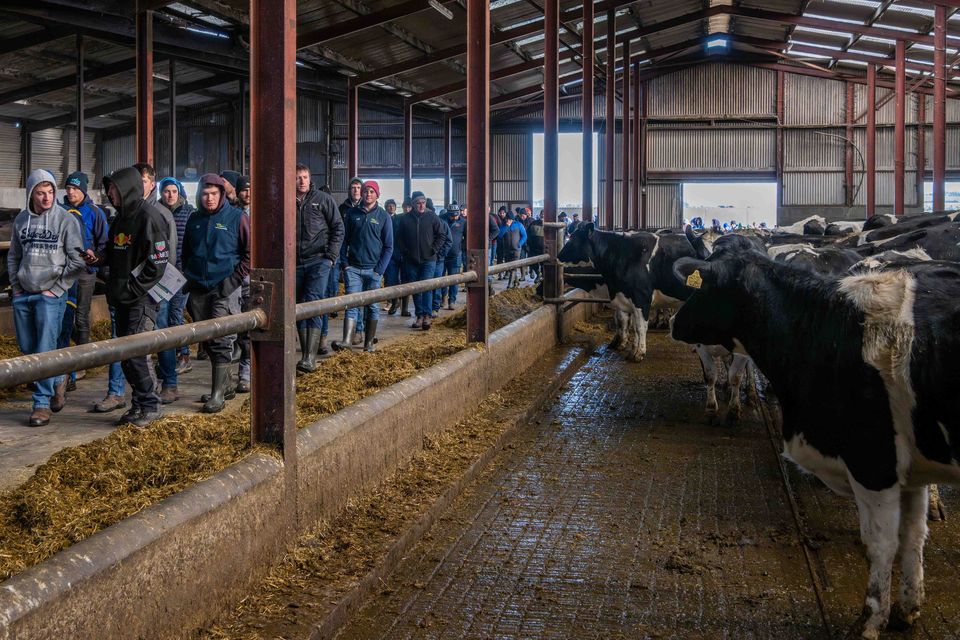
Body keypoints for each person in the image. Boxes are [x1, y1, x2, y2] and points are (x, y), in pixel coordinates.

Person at [86, 166, 170, 428]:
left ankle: (151, 406)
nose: (110, 193)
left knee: (136, 354)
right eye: (110, 189)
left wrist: (134, 289)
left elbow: (158, 263)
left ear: (127, 189)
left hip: (140, 300)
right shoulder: (119, 219)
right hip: (120, 298)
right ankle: (139, 403)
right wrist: (98, 258)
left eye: (114, 189)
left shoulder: (149, 217)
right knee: (124, 355)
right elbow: (114, 252)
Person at [8, 170, 86, 426]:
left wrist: (58, 288)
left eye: (50, 192)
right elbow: (14, 256)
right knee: (27, 348)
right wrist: (16, 288)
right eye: (41, 193)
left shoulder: (66, 220)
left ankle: (41, 404)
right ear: (31, 194)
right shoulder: (21, 220)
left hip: (50, 296)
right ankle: (59, 377)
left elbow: (77, 260)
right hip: (24, 293)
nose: (47, 198)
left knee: (44, 349)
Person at [181, 174, 250, 412]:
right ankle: (226, 385)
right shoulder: (194, 219)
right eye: (205, 194)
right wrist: (189, 276)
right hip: (198, 288)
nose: (209, 198)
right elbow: (186, 252)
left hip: (224, 288)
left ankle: (217, 394)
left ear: (221, 194)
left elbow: (249, 253)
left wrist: (232, 281)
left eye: (214, 194)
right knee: (207, 339)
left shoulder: (236, 217)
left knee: (221, 338)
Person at [61, 171, 109, 389]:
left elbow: (104, 243)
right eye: (68, 188)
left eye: (75, 188)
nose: (71, 192)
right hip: (63, 271)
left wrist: (95, 259)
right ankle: (66, 358)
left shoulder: (95, 212)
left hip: (84, 272)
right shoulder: (60, 210)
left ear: (83, 190)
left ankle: (82, 362)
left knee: (81, 315)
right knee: (63, 315)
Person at [295, 163, 344, 370]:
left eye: (305, 177)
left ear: (310, 178)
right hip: (294, 263)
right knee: (297, 306)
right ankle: (305, 352)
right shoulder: (287, 201)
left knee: (314, 302)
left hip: (318, 260)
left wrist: (330, 257)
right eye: (298, 177)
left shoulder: (323, 199)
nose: (302, 181)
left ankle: (309, 357)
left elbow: (338, 228)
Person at [333, 180, 392, 351]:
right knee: (351, 304)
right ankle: (347, 341)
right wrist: (345, 264)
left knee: (372, 306)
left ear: (377, 195)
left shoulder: (384, 216)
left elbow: (389, 247)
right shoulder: (352, 214)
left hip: (373, 270)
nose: (368, 194)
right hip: (353, 269)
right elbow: (344, 240)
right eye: (366, 191)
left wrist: (379, 271)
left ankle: (369, 343)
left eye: (372, 191)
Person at [154, 176, 194, 404]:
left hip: (181, 272)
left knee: (176, 315)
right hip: (163, 275)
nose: (170, 195)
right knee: (163, 318)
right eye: (166, 191)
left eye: (174, 191)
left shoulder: (187, 213)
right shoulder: (156, 211)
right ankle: (170, 359)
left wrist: (187, 269)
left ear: (179, 192)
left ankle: (184, 354)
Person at [395, 191, 447, 330]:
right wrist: (405, 251)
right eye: (418, 203)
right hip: (411, 260)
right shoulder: (405, 219)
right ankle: (419, 315)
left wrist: (433, 249)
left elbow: (441, 235)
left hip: (429, 259)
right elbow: (399, 237)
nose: (421, 205)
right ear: (413, 204)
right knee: (416, 288)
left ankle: (427, 315)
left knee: (427, 287)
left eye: (423, 202)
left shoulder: (432, 217)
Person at [234, 175, 252, 391]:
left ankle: (245, 372)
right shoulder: (231, 214)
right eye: (243, 189)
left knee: (248, 328)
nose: (247, 193)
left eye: (250, 189)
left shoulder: (262, 213)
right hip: (234, 276)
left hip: (253, 276)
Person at [438, 204, 465, 310]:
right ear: (447, 214)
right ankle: (443, 297)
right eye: (452, 216)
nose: (455, 217)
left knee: (454, 279)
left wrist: (460, 248)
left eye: (456, 215)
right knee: (441, 278)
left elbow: (467, 237)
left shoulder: (463, 222)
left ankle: (452, 300)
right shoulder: (440, 220)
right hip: (441, 255)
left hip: (455, 255)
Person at [382, 199, 404, 315]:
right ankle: (393, 301)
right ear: (385, 207)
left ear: (395, 207)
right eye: (389, 206)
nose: (391, 207)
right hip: (388, 254)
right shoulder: (382, 218)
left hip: (400, 252)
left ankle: (400, 303)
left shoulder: (400, 219)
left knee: (401, 280)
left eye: (393, 206)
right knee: (390, 279)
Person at [498, 211, 527, 289]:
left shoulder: (519, 225)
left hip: (516, 250)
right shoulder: (503, 225)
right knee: (509, 267)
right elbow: (500, 235)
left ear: (513, 219)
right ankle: (516, 282)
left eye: (510, 219)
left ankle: (510, 284)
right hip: (507, 250)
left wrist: (520, 244)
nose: (508, 221)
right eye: (507, 219)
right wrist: (506, 226)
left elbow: (524, 236)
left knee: (513, 267)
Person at [527, 213, 545, 282]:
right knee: (533, 262)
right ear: (540, 215)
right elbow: (528, 234)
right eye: (542, 214)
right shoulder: (533, 223)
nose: (543, 216)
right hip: (533, 248)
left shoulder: (549, 225)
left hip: (544, 249)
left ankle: (543, 277)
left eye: (544, 214)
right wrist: (528, 244)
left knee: (544, 263)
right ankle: (538, 274)